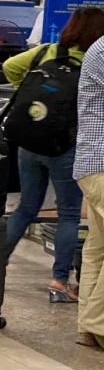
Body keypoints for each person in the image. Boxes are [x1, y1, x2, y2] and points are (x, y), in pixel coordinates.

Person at [3, 7, 104, 304]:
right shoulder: (93, 60)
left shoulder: (47, 52)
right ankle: (59, 281)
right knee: (69, 212)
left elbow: (10, 66)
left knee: (25, 208)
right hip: (67, 147)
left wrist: (28, 93)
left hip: (30, 141)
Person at [77, 35, 104, 349]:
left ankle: (87, 326)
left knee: (98, 246)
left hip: (91, 161)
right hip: (99, 162)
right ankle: (98, 322)